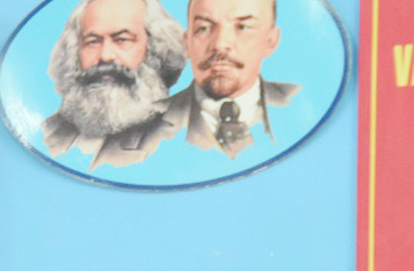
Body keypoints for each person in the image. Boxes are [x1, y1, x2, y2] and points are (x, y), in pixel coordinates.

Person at [44, 0, 187, 169]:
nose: (105, 55)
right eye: (93, 41)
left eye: (122, 40)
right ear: (74, 52)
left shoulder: (175, 137)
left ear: (155, 50)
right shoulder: (50, 131)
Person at [161, 0, 300, 157]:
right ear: (187, 43)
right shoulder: (146, 128)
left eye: (242, 27)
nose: (220, 44)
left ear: (271, 41)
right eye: (204, 28)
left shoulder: (301, 104)